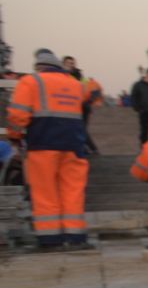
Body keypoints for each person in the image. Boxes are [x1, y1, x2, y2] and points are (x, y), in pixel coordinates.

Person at [5, 48, 93, 250]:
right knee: (73, 191)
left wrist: (14, 138)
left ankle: (50, 239)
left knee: (45, 192)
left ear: (38, 66)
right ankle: (75, 237)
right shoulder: (76, 85)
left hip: (42, 144)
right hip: (74, 146)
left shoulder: (31, 82)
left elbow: (18, 116)